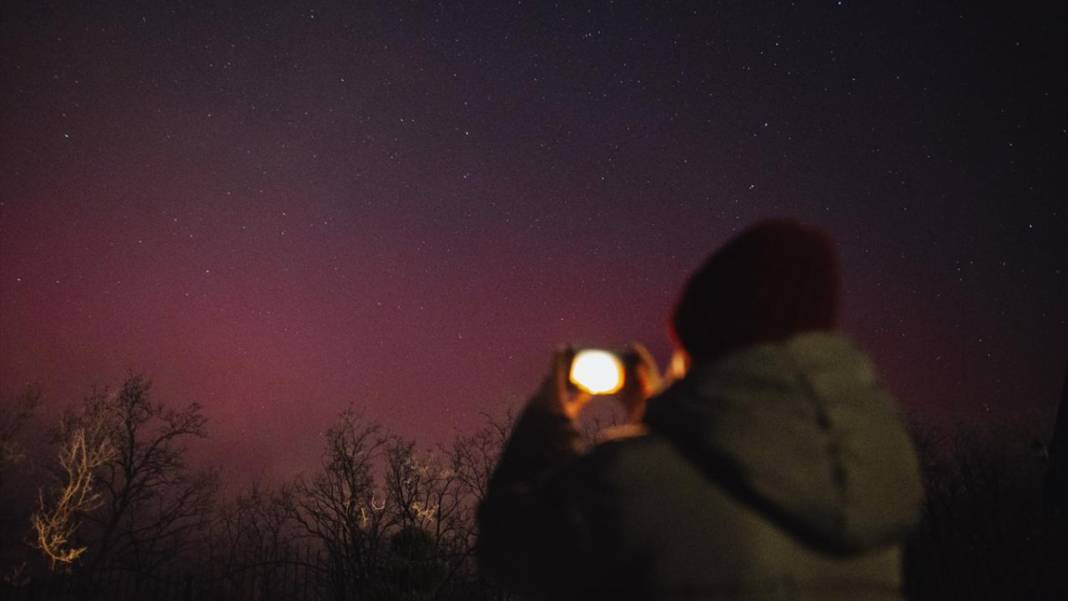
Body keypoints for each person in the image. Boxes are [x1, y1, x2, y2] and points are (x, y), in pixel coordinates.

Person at [477, 219, 924, 601]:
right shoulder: (873, 480)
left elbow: (511, 547)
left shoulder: (630, 481)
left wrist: (548, 417)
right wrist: (653, 414)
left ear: (706, 342)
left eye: (682, 349)